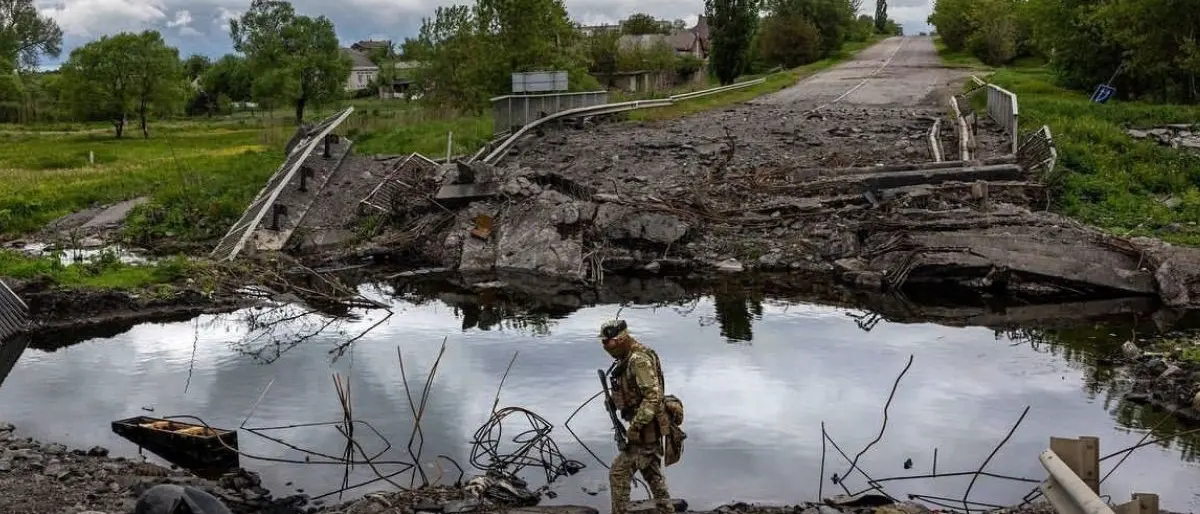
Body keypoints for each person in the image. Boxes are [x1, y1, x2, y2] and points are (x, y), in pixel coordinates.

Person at [599, 319, 673, 514]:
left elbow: (653, 397)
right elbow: (634, 393)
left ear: (622, 339)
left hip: (646, 430)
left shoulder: (638, 360)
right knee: (653, 474)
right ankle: (666, 510)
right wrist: (615, 402)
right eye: (603, 342)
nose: (605, 347)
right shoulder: (626, 358)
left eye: (609, 342)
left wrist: (635, 427)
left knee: (619, 473)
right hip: (646, 428)